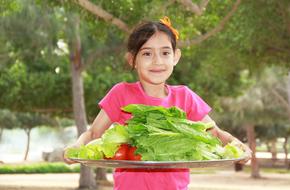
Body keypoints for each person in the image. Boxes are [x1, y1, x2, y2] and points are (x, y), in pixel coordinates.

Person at [64, 16, 252, 190]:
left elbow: (215, 133)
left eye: (165, 52)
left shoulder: (184, 96)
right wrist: (76, 148)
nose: (157, 61)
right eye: (147, 54)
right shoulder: (121, 93)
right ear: (133, 60)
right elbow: (94, 133)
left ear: (175, 57)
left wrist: (237, 145)